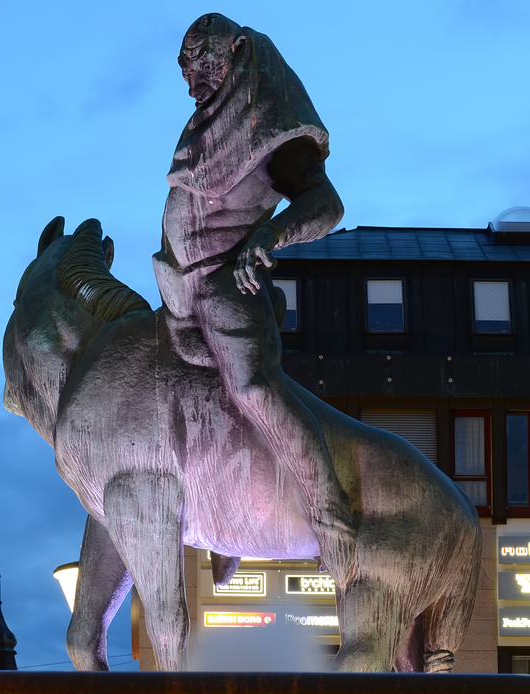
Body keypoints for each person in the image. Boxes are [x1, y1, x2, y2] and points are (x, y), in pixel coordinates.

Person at [153, 13, 356, 585]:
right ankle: (224, 509)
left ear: (239, 54)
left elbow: (327, 204)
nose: (193, 82)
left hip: (226, 283)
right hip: (179, 287)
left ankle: (329, 514)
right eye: (185, 70)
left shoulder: (271, 126)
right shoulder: (209, 127)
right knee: (173, 394)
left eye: (205, 67)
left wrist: (271, 234)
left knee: (250, 386)